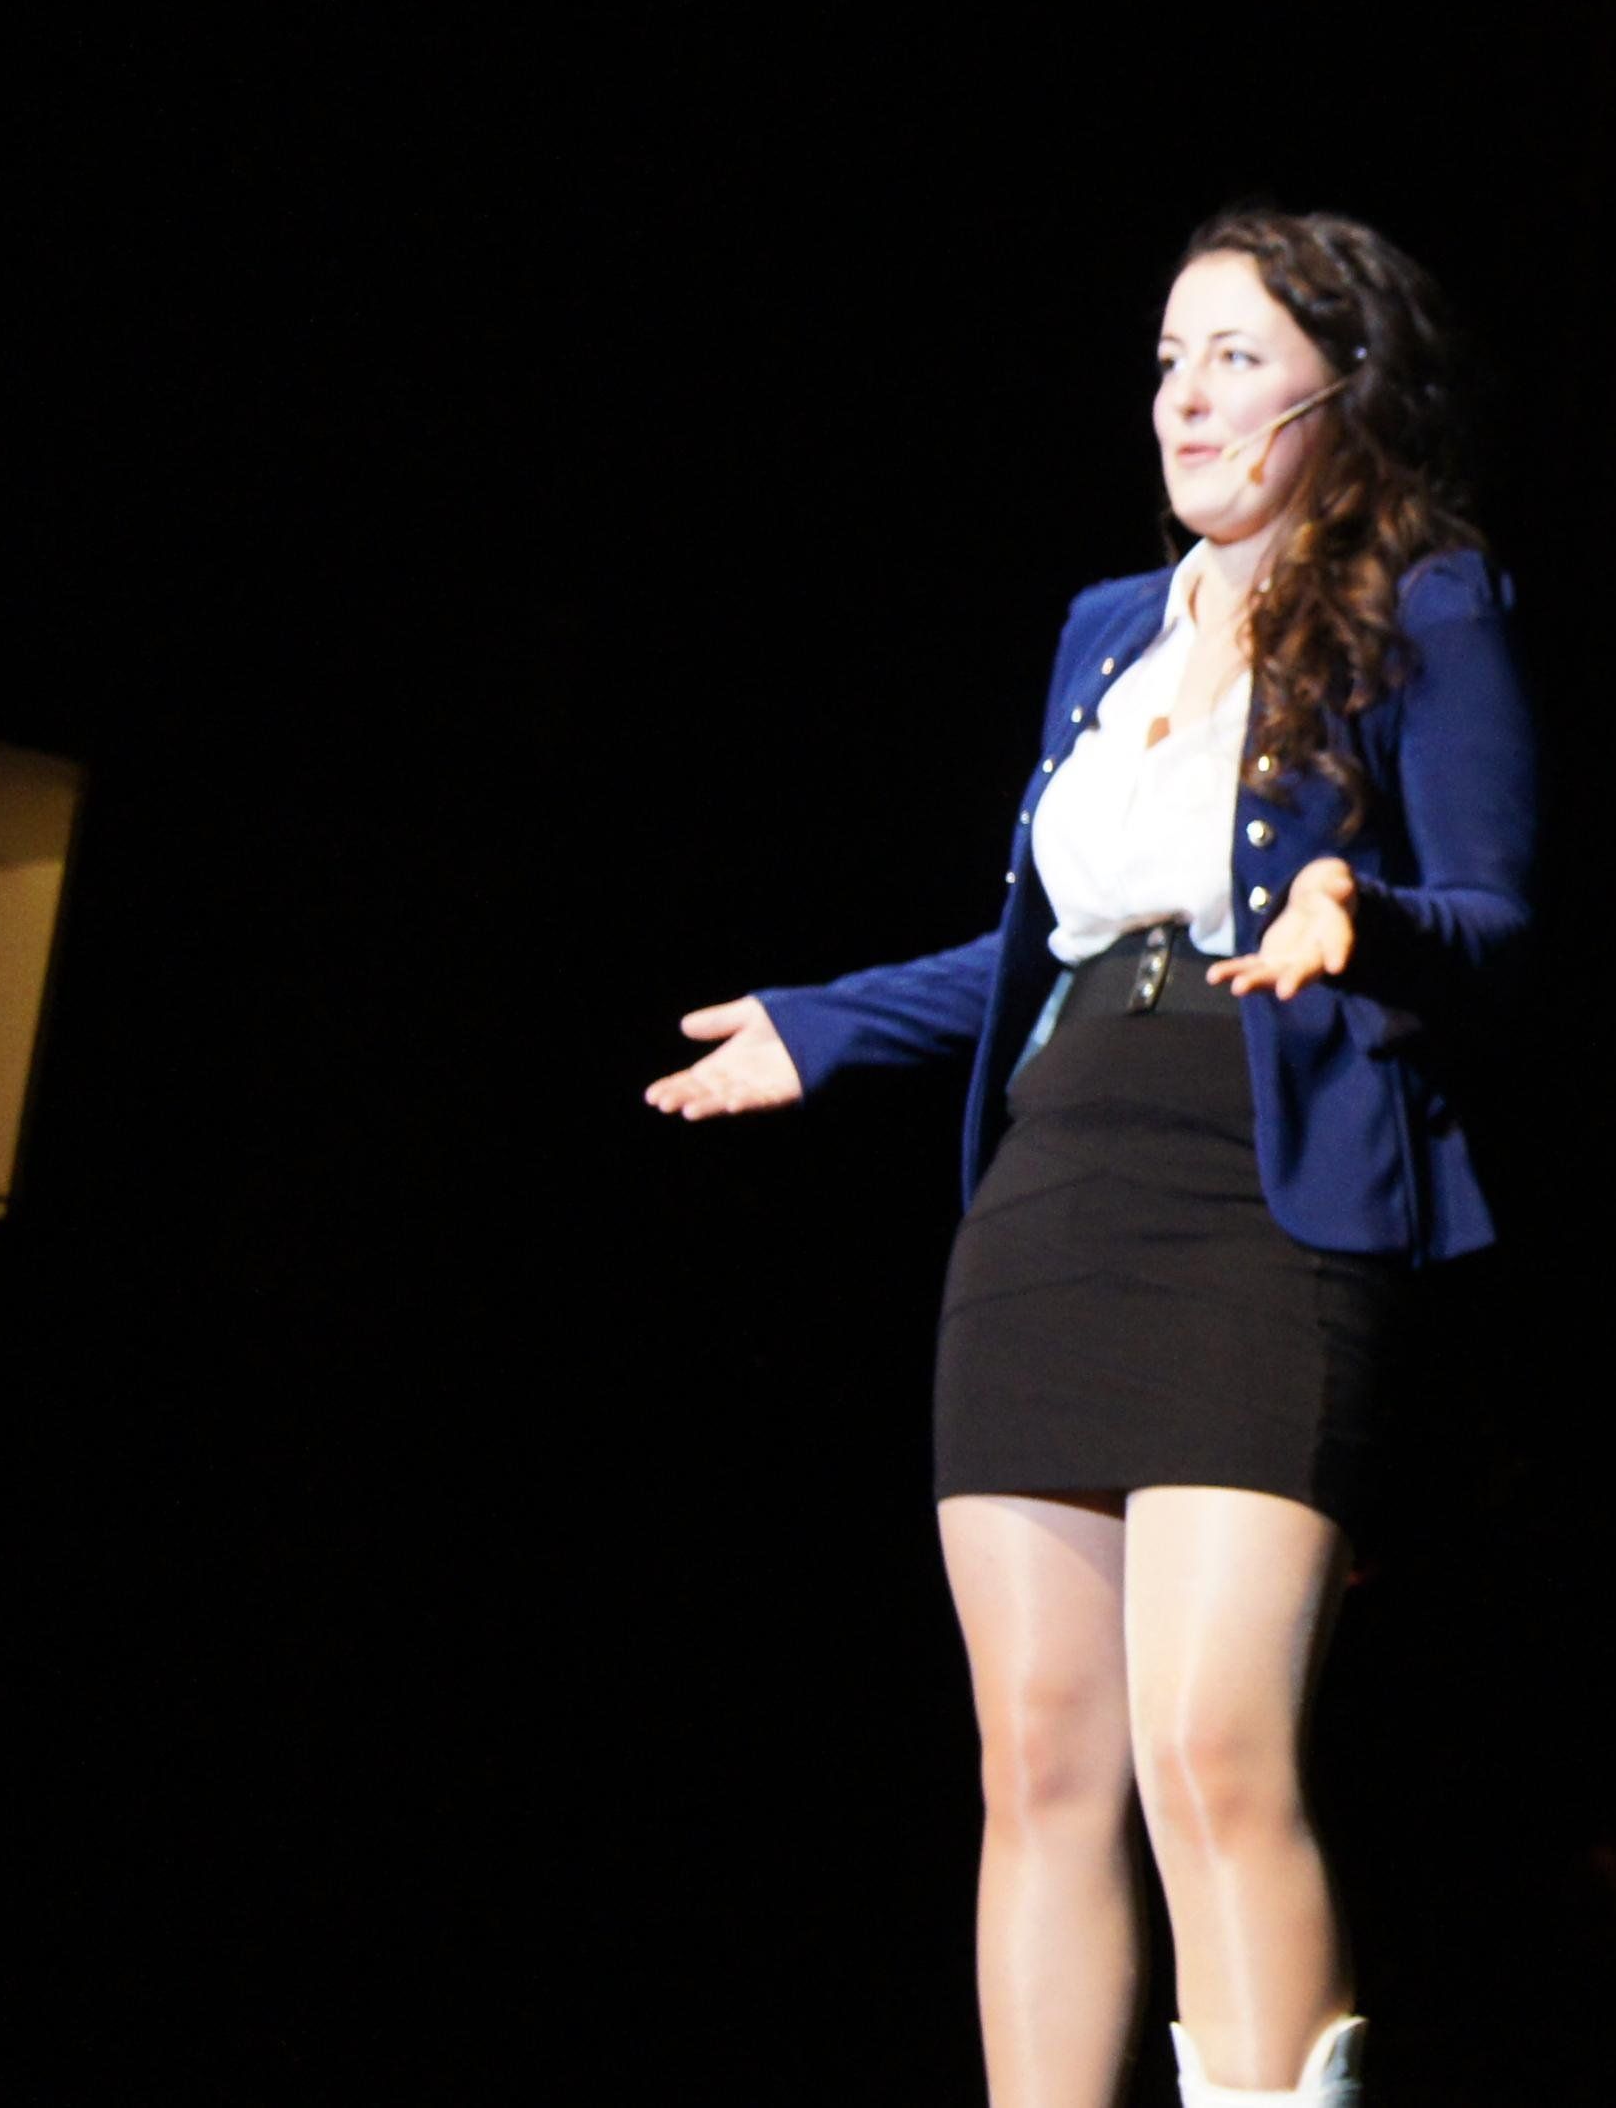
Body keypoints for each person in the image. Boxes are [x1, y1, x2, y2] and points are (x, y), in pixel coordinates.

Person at [645, 207, 1535, 2108]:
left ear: (1345, 384)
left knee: (1211, 1747)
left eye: (1235, 357)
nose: (1186, 399)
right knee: (1041, 1760)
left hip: (1263, 1187)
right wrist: (826, 1022)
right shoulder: (1108, 630)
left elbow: (1496, 910)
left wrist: (1360, 914)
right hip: (1058, 1187)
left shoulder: (1428, 598)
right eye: (1167, 362)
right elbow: (1043, 942)